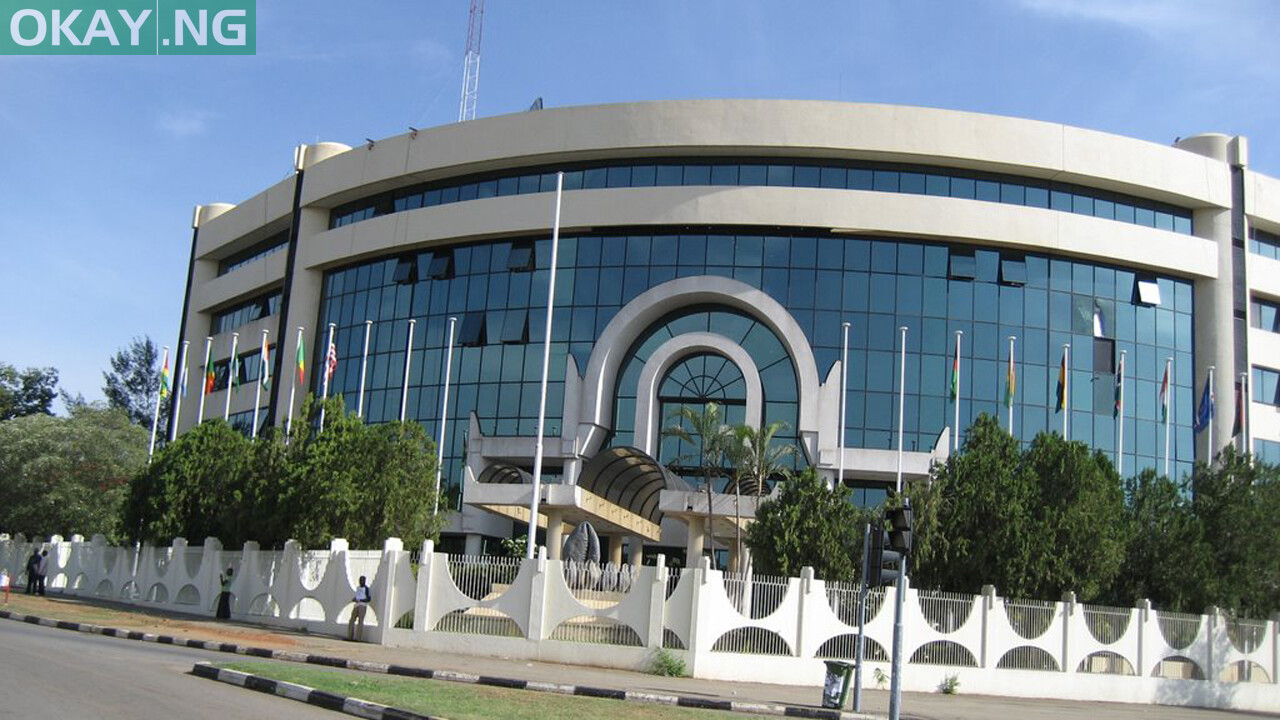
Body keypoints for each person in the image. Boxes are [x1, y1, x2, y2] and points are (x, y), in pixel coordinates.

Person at [348, 575, 372, 642]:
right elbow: (358, 595)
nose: (361, 582)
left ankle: (358, 638)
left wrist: (360, 600)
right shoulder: (358, 588)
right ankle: (350, 636)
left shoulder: (366, 589)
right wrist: (355, 599)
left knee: (360, 621)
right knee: (352, 620)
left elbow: (368, 599)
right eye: (360, 580)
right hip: (356, 605)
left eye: (362, 580)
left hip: (362, 605)